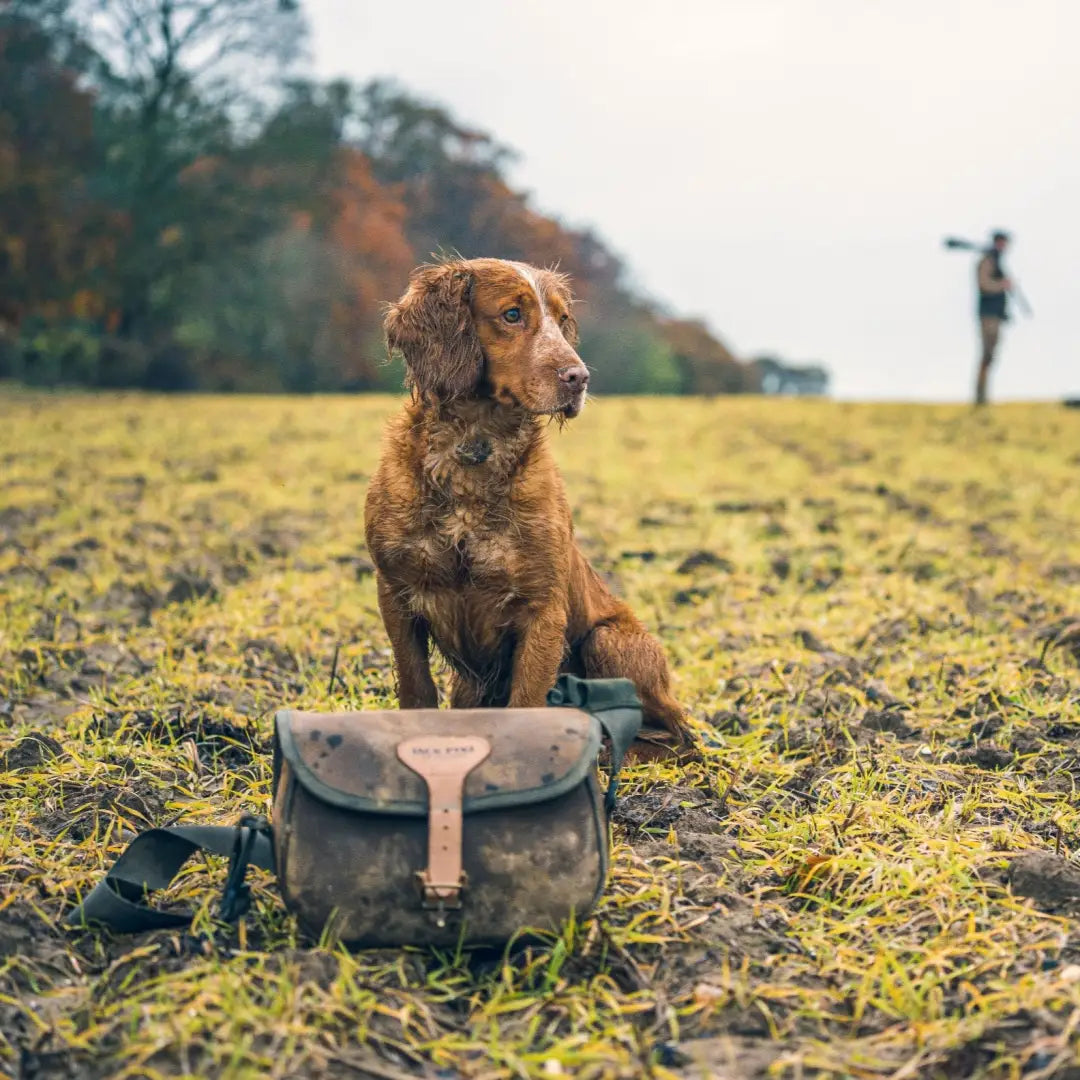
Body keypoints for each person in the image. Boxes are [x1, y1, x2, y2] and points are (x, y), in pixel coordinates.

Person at [974, 230, 1013, 406]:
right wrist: (1002, 285)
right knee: (986, 355)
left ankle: (983, 396)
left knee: (991, 356)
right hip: (988, 315)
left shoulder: (996, 261)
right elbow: (984, 284)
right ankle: (980, 397)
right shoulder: (987, 261)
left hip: (996, 315)